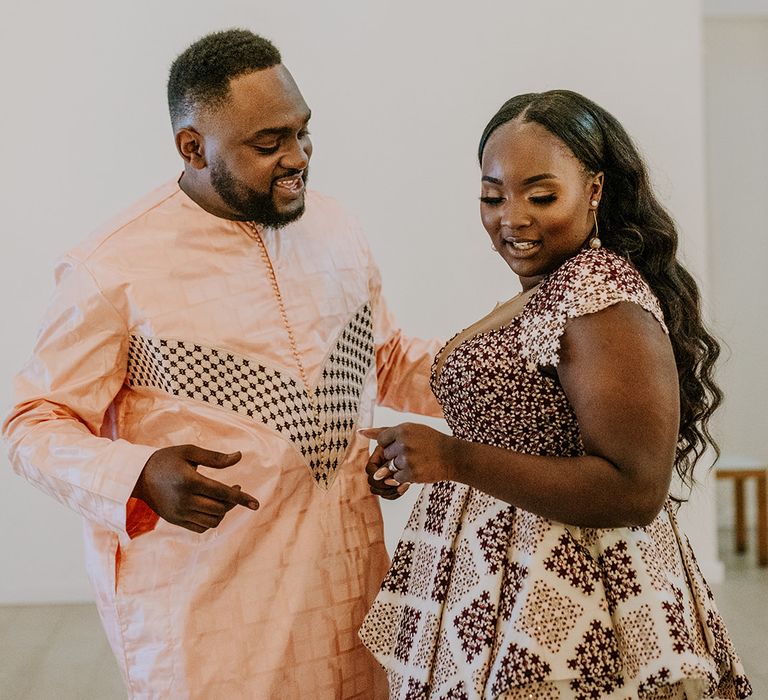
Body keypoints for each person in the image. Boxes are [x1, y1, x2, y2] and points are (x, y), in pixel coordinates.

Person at [2, 29, 442, 699]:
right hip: (212, 611)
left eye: (301, 133)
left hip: (352, 586)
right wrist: (139, 474)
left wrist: (520, 370)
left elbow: (384, 359)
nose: (296, 158)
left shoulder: (335, 230)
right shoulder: (112, 268)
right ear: (192, 147)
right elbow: (32, 421)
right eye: (267, 144)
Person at [358, 90, 752, 699]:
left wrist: (453, 458)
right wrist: (423, 460)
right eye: (493, 196)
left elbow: (635, 488)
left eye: (541, 196)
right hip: (504, 590)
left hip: (567, 603)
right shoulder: (553, 288)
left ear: (594, 189)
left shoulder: (599, 300)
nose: (511, 217)